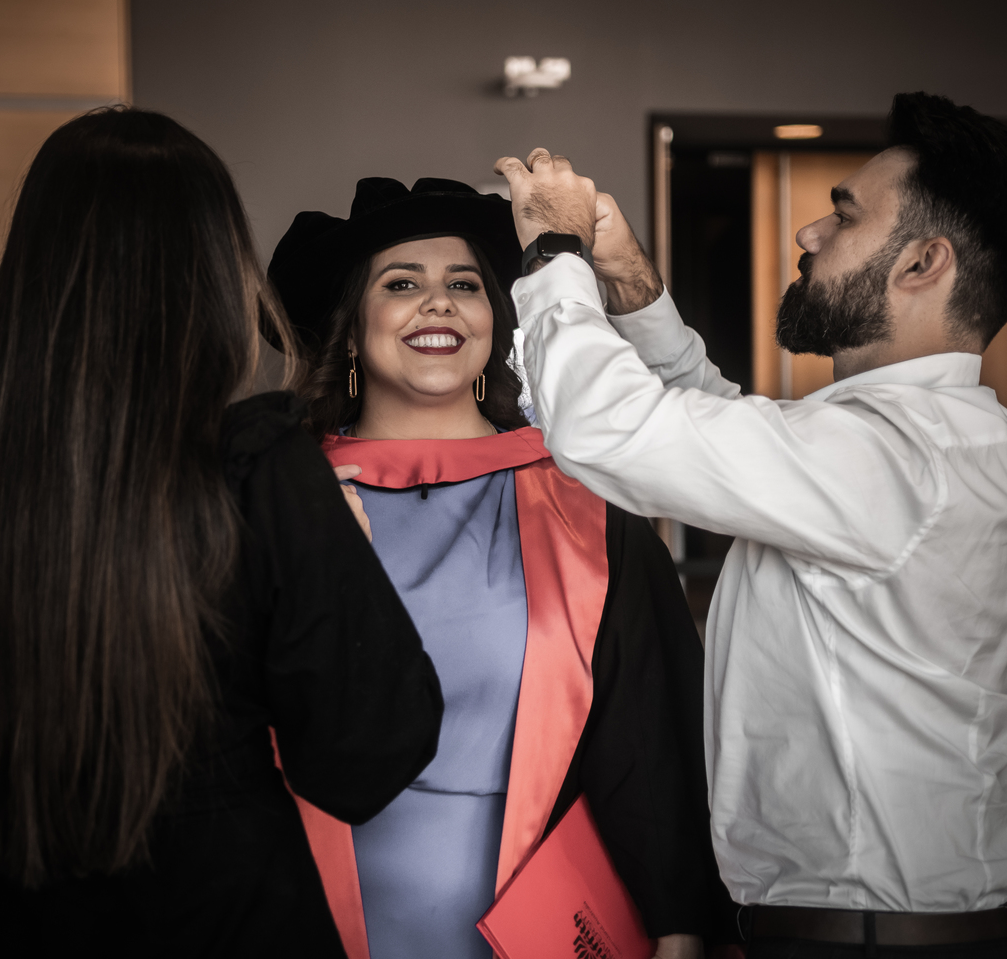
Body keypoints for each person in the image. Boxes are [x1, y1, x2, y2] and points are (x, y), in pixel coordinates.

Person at [493, 91, 1007, 958]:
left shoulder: (898, 457)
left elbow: (611, 430)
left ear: (923, 263)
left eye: (845, 216)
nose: (810, 233)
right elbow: (724, 434)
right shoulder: (936, 441)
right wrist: (630, 284)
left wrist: (553, 252)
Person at [0, 108, 442, 958]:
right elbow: (366, 757)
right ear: (211, 269)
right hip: (219, 915)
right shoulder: (256, 464)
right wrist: (339, 558)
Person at [267, 177, 733, 959]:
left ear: (495, 321)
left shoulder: (582, 505)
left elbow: (649, 735)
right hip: (300, 915)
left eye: (464, 286)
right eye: (401, 284)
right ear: (350, 330)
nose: (438, 304)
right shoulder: (279, 499)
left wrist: (678, 921)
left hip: (538, 930)